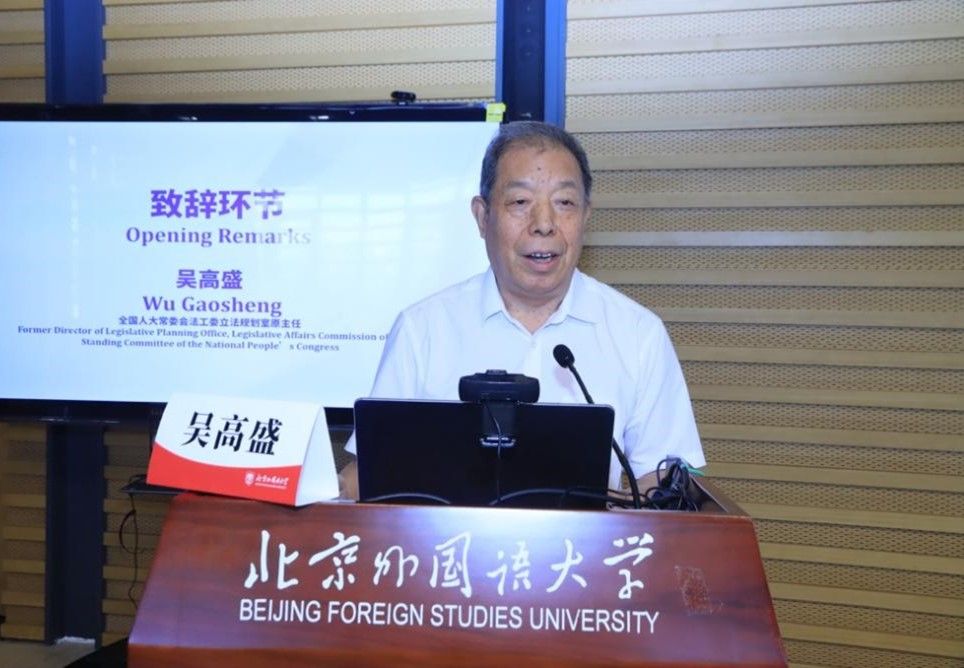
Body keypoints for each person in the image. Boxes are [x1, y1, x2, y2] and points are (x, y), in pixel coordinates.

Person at [340, 120, 704, 498]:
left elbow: (671, 481)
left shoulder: (638, 334)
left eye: (564, 203)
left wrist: (603, 509)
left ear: (586, 216)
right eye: (520, 202)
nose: (544, 224)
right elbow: (370, 472)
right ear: (482, 217)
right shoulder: (423, 330)